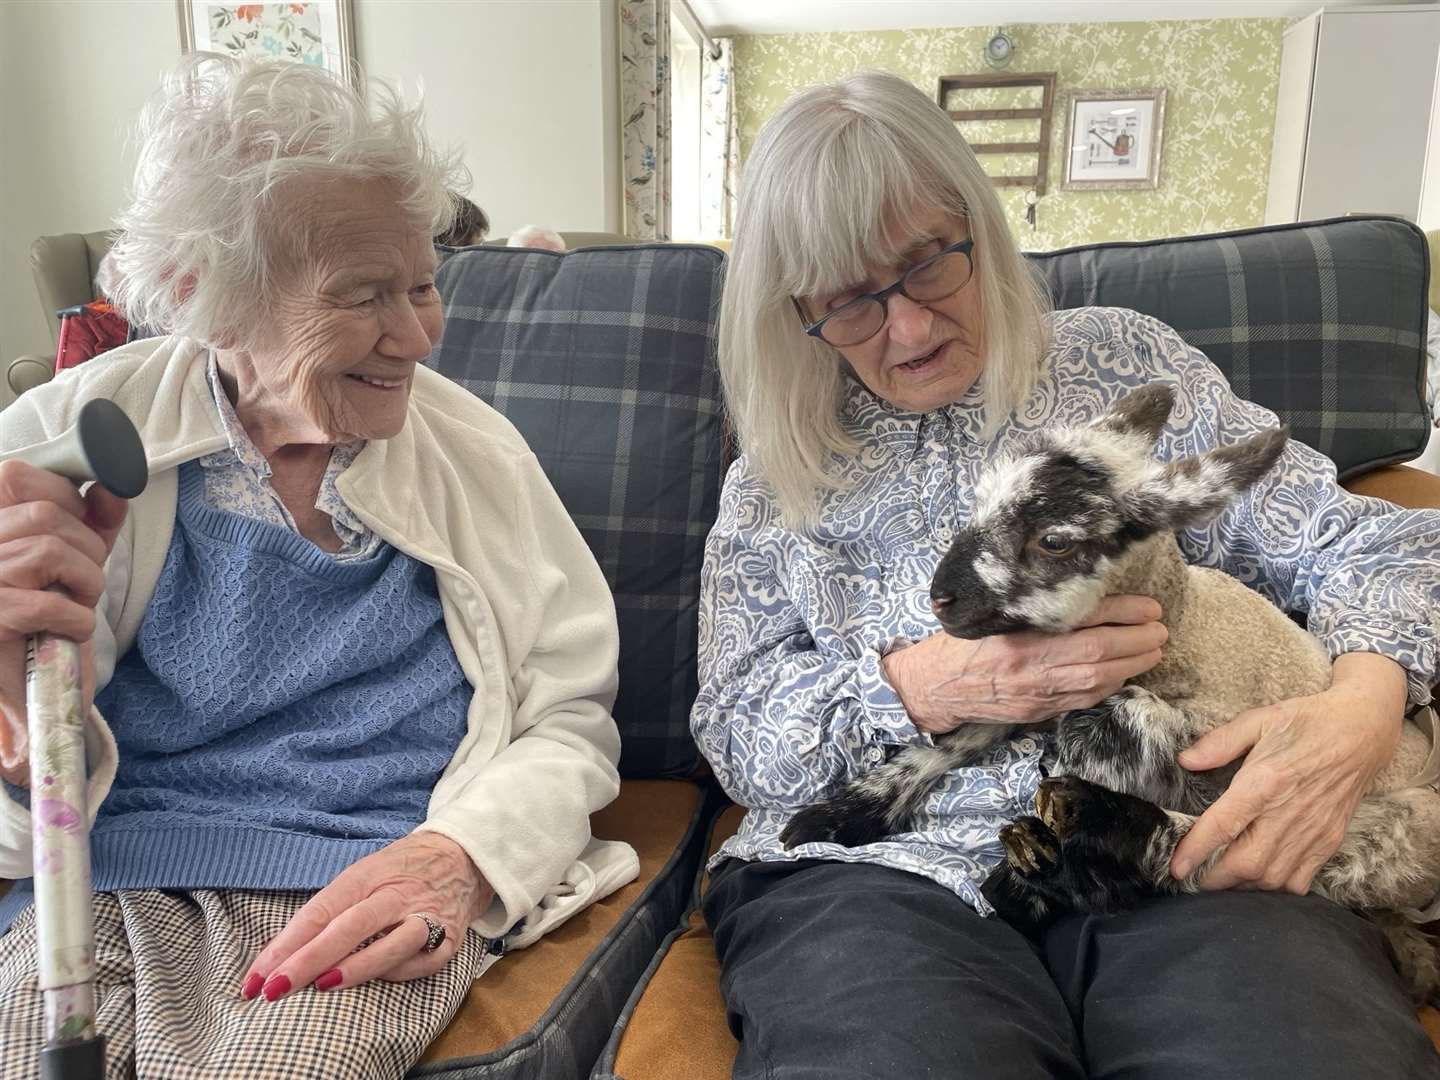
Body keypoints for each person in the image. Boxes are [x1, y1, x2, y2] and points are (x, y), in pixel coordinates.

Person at [695, 70, 1440, 1079]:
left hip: (1181, 839)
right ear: (798, 314)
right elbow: (736, 729)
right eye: (851, 303)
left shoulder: (1119, 364)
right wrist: (924, 686)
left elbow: (1382, 542)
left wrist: (1357, 710)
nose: (907, 328)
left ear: (979, 231)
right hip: (877, 872)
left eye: (927, 266)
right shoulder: (772, 480)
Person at [0, 55, 623, 1079]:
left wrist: (463, 859)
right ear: (209, 299)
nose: (417, 334)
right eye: (364, 295)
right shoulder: (62, 441)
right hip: (105, 882)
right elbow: (24, 810)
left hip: (371, 889)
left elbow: (569, 717)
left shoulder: (479, 458)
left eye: (424, 284)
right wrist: (21, 731)